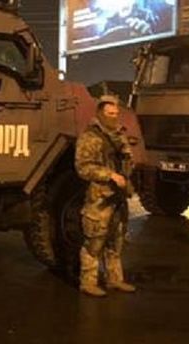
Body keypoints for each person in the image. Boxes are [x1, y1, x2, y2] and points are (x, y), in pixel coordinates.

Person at [75, 95, 137, 297]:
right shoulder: (90, 137)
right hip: (100, 198)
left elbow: (127, 161)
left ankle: (115, 279)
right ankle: (88, 282)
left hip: (118, 196)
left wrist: (126, 176)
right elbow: (83, 167)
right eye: (110, 113)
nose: (114, 117)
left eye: (116, 113)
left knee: (116, 239)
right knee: (95, 241)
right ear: (100, 113)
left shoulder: (119, 135)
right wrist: (109, 175)